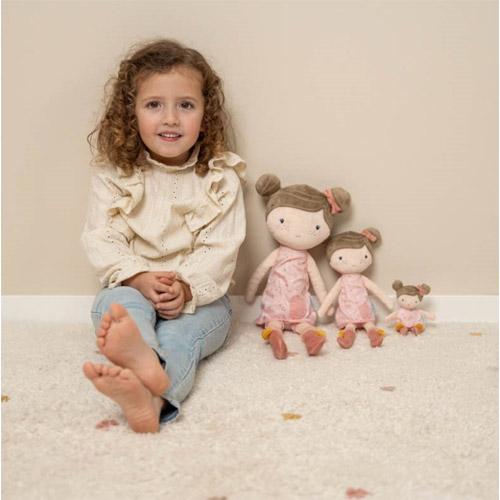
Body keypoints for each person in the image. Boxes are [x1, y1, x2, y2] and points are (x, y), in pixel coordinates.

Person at [81, 39, 246, 433]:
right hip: (132, 286)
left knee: (182, 336)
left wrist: (185, 288)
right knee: (118, 307)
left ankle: (152, 388)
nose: (170, 118)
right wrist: (139, 278)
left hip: (202, 299)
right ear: (131, 113)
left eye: (185, 105)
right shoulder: (114, 175)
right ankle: (145, 371)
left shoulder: (220, 178)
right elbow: (102, 237)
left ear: (205, 115)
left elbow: (221, 248)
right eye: (154, 104)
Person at [245, 174, 351, 359]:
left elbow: (259, 273)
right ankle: (307, 335)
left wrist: (250, 293)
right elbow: (318, 284)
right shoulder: (303, 257)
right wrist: (325, 304)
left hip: (276, 303)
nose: (298, 234)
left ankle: (276, 334)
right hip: (297, 304)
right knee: (302, 324)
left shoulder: (283, 254)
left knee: (274, 322)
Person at [317, 228, 392, 349]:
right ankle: (348, 337)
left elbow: (376, 290)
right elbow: (331, 295)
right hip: (348, 310)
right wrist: (323, 310)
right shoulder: (342, 281)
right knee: (350, 325)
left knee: (369, 324)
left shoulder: (361, 279)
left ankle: (374, 335)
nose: (352, 263)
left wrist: (387, 301)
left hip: (363, 308)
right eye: (341, 258)